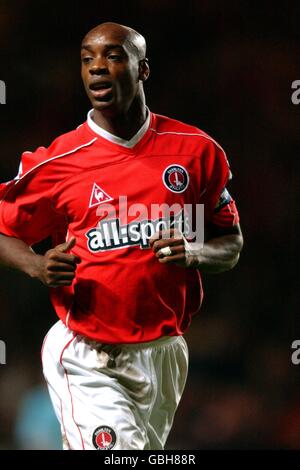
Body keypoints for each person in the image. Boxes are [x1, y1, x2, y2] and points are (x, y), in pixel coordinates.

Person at [0, 22, 243, 450]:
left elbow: (232, 243)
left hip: (165, 353)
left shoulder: (195, 150)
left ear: (142, 69)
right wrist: (37, 265)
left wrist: (196, 251)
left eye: (112, 56)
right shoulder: (59, 161)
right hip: (88, 352)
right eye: (86, 59)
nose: (97, 68)